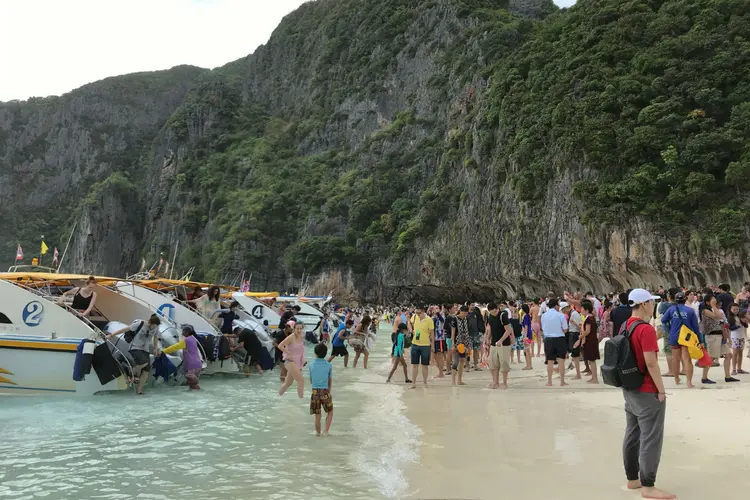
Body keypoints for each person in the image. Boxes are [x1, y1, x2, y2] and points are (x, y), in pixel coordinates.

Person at [620, 289, 674, 500]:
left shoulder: (626, 325)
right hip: (647, 390)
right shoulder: (645, 329)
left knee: (632, 434)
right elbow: (650, 362)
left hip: (630, 388)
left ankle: (633, 479)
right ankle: (649, 486)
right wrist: (661, 390)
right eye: (652, 302)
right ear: (644, 304)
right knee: (651, 438)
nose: (654, 306)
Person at [105, 314, 161, 395]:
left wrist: (156, 348)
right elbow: (125, 329)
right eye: (153, 325)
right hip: (135, 348)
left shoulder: (156, 328)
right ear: (149, 323)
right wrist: (111, 335)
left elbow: (155, 337)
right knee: (144, 362)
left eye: (156, 326)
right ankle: (132, 372)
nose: (154, 327)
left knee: (146, 370)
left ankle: (139, 390)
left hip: (145, 350)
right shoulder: (140, 324)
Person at [661, 291, 699, 388]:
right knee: (687, 359)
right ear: (685, 299)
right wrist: (700, 341)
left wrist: (669, 329)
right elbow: (695, 327)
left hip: (674, 336)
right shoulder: (690, 311)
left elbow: (663, 320)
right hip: (686, 337)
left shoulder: (671, 309)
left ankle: (676, 379)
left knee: (675, 359)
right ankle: (689, 382)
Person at [699, 293, 738, 384]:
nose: (715, 300)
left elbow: (720, 317)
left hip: (718, 335)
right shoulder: (705, 311)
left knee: (728, 355)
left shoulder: (713, 309)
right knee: (711, 357)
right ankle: (704, 377)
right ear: (708, 302)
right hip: (712, 336)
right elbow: (719, 316)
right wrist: (713, 305)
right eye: (712, 300)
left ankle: (728, 376)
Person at [159, 324, 203, 389]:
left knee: (191, 381)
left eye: (183, 331)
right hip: (197, 364)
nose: (182, 332)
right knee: (191, 383)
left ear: (187, 332)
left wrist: (163, 351)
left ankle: (198, 392)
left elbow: (175, 347)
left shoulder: (186, 340)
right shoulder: (193, 339)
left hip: (192, 364)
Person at [541, 298, 568, 387]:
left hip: (548, 339)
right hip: (559, 338)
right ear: (556, 306)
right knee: (561, 360)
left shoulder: (544, 315)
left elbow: (543, 328)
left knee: (550, 361)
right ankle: (562, 381)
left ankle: (549, 381)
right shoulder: (560, 316)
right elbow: (565, 329)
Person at [309, 343, 334, 436]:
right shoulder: (329, 365)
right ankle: (326, 431)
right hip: (325, 390)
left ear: (315, 353)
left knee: (317, 414)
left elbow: (311, 381)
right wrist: (329, 391)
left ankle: (318, 433)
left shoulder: (311, 365)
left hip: (315, 391)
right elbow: (329, 380)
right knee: (330, 411)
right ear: (326, 353)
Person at [487, 302, 512, 389]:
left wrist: (501, 340)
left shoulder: (503, 316)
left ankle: (504, 383)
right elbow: (490, 328)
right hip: (493, 343)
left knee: (504, 363)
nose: (495, 312)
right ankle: (495, 382)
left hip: (504, 344)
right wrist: (487, 338)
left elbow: (508, 330)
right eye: (492, 311)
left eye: (496, 310)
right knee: (493, 364)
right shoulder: (490, 316)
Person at [278, 321, 306, 398]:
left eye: (300, 328)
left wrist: (303, 361)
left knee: (288, 383)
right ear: (294, 329)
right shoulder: (291, 337)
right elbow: (280, 346)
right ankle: (301, 401)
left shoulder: (301, 336)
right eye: (297, 328)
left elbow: (301, 350)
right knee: (301, 381)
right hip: (289, 361)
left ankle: (278, 397)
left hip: (297, 362)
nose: (299, 330)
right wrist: (288, 353)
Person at [410, 305, 434, 389]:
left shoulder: (429, 320)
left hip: (425, 345)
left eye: (419, 312)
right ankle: (413, 383)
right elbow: (409, 322)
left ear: (423, 311)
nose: (417, 314)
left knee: (424, 365)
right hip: (415, 343)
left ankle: (425, 382)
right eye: (416, 312)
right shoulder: (414, 316)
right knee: (414, 365)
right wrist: (411, 330)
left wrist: (433, 345)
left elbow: (432, 333)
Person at [579, 301, 599, 384]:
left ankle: (595, 379)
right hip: (592, 340)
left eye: (582, 309)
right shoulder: (591, 318)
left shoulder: (588, 319)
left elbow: (587, 331)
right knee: (591, 360)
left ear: (587, 310)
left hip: (590, 341)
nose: (581, 311)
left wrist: (581, 336)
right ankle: (593, 377)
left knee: (592, 360)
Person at [451, 305, 472, 386]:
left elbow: (467, 332)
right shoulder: (454, 319)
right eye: (463, 313)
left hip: (464, 343)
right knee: (455, 362)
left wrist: (468, 344)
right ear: (460, 311)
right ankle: (453, 381)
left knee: (462, 361)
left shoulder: (466, 319)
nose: (464, 315)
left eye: (466, 313)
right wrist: (453, 344)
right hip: (457, 342)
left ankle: (459, 380)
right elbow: (453, 332)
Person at [727, 303, 748, 375]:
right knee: (735, 353)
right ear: (730, 310)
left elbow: (746, 326)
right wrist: (738, 325)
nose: (736, 311)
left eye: (737, 309)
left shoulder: (740, 316)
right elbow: (731, 328)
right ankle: (733, 369)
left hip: (741, 336)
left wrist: (744, 321)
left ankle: (739, 368)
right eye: (734, 309)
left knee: (740, 353)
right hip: (735, 337)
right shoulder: (730, 318)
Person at [566, 302, 583, 379]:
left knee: (575, 355)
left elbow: (580, 327)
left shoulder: (574, 314)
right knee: (574, 354)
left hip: (575, 334)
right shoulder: (571, 314)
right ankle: (577, 372)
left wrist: (573, 322)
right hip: (572, 334)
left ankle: (578, 374)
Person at [432, 305, 448, 379]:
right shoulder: (433, 318)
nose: (435, 309)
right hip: (434, 339)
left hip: (440, 338)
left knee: (440, 355)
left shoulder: (442, 316)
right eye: (434, 308)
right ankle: (440, 371)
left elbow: (442, 321)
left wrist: (438, 313)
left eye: (437, 308)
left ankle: (441, 373)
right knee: (435, 356)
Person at [520, 303, 533, 370]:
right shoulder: (527, 316)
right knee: (527, 350)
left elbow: (526, 327)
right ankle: (529, 365)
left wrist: (525, 336)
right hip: (529, 334)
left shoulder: (525, 316)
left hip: (527, 334)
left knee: (526, 350)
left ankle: (528, 365)